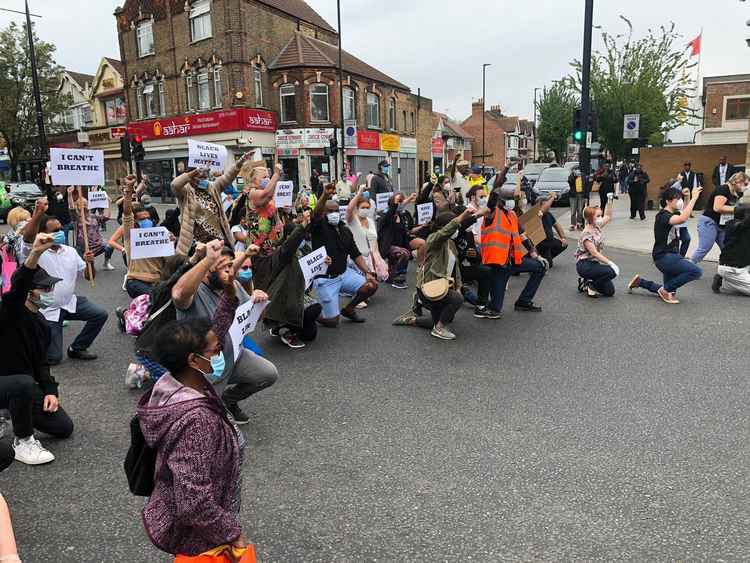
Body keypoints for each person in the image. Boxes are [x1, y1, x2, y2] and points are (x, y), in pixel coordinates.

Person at [138, 318, 248, 558]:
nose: (221, 351)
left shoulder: (175, 382)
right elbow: (193, 501)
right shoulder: (196, 421)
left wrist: (230, 293)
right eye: (216, 349)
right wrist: (231, 532)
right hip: (201, 534)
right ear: (194, 360)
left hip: (200, 514)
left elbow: (213, 333)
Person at [172, 240, 276, 424]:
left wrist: (260, 303)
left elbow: (253, 317)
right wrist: (206, 259)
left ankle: (229, 401)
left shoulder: (231, 285)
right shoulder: (194, 293)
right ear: (205, 270)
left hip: (234, 355)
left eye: (230, 265)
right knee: (202, 422)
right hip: (205, 368)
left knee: (268, 374)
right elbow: (179, 293)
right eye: (222, 266)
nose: (230, 271)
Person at [0, 233, 74, 465]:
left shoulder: (42, 323)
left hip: (21, 387)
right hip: (8, 383)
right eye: (45, 288)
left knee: (63, 427)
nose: (50, 292)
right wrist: (36, 253)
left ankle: (12, 410)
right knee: (21, 382)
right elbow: (18, 285)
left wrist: (51, 391)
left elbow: (41, 363)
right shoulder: (9, 312)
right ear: (30, 291)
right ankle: (23, 440)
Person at [20, 209, 107, 364]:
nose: (61, 232)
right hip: (48, 309)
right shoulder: (34, 252)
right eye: (56, 231)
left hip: (69, 303)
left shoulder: (70, 251)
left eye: (61, 229)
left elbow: (89, 277)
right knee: (53, 358)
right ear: (42, 234)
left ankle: (77, 348)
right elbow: (27, 237)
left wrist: (90, 262)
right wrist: (38, 213)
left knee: (100, 314)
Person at [393, 209, 476, 340]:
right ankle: (439, 329)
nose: (457, 230)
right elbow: (445, 232)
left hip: (442, 287)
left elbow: (456, 269)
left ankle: (412, 320)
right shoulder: (433, 240)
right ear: (444, 227)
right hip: (430, 287)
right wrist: (462, 216)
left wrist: (459, 287)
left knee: (440, 319)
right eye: (454, 226)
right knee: (457, 300)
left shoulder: (451, 244)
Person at [310, 185, 378, 326]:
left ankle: (349, 309)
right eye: (329, 211)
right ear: (324, 212)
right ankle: (311, 313)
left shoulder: (344, 229)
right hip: (326, 279)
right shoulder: (318, 227)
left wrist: (368, 272)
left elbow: (355, 253)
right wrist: (324, 195)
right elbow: (316, 214)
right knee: (333, 322)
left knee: (371, 285)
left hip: (344, 274)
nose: (333, 213)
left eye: (336, 211)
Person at [476, 189, 546, 317]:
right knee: (495, 310)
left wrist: (535, 254)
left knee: (540, 267)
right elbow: (492, 199)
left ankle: (524, 302)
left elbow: (522, 236)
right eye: (508, 199)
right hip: (497, 264)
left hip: (513, 261)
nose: (511, 202)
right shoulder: (491, 214)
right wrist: (504, 172)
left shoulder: (511, 215)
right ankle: (477, 301)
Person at [628, 186, 703, 304]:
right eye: (677, 199)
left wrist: (687, 197)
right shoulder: (663, 216)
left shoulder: (675, 213)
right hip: (664, 257)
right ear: (668, 201)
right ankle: (665, 290)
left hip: (673, 255)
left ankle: (641, 282)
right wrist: (694, 199)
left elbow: (684, 213)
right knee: (696, 272)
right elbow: (683, 218)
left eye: (680, 198)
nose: (680, 201)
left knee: (670, 291)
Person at [170, 151, 253, 255]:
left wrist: (241, 161)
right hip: (196, 245)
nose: (204, 179)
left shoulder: (212, 187)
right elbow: (174, 185)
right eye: (201, 177)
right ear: (192, 177)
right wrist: (196, 171)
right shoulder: (185, 191)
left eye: (205, 176)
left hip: (218, 241)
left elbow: (228, 176)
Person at [263, 212, 324, 349]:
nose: (302, 238)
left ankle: (279, 326)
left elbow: (311, 271)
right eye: (299, 235)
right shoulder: (283, 253)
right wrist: (302, 226)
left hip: (299, 292)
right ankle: (287, 330)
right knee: (314, 308)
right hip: (284, 296)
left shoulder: (304, 249)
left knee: (310, 335)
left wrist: (323, 262)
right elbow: (293, 242)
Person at [232, 160, 285, 290]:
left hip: (271, 250)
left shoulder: (266, 194)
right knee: (264, 286)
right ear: (255, 180)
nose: (267, 179)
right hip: (260, 253)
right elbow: (266, 194)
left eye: (268, 176)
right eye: (264, 177)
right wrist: (276, 174)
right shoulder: (253, 193)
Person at [691, 171, 748, 265]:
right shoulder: (723, 189)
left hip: (722, 225)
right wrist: (738, 209)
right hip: (709, 222)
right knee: (705, 247)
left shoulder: (737, 193)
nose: (746, 187)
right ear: (737, 181)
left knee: (727, 248)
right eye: (745, 184)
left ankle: (722, 272)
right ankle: (688, 267)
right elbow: (717, 207)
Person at [575, 199, 619, 297]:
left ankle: (587, 282)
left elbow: (608, 216)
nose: (600, 218)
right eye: (598, 216)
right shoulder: (586, 233)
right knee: (611, 271)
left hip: (594, 264)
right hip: (584, 265)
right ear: (590, 218)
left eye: (600, 215)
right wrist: (610, 263)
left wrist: (610, 201)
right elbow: (594, 253)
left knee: (609, 291)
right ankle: (591, 285)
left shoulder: (596, 226)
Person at [346, 186, 388, 283]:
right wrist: (359, 193)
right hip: (357, 260)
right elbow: (349, 210)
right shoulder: (353, 221)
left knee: (372, 284)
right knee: (364, 285)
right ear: (356, 208)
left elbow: (374, 240)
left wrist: (378, 258)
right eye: (363, 207)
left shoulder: (370, 221)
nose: (365, 210)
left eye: (367, 208)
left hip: (371, 258)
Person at [67, 188, 116, 271]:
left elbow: (106, 217)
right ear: (78, 206)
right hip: (83, 247)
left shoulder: (93, 216)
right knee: (83, 268)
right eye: (82, 204)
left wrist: (108, 203)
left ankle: (106, 263)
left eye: (86, 204)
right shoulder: (76, 218)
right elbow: (71, 208)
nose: (84, 206)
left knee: (110, 246)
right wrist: (69, 195)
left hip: (97, 243)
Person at [377, 192, 416, 289]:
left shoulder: (400, 215)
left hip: (399, 245)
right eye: (398, 203)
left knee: (390, 274)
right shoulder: (385, 215)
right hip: (388, 246)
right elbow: (390, 212)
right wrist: (395, 201)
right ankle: (398, 279)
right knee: (404, 253)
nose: (400, 205)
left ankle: (392, 275)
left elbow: (404, 232)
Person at [713, 194, 750, 295]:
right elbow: (744, 224)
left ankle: (732, 281)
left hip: (742, 264)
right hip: (731, 269)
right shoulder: (735, 226)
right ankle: (725, 282)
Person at [535, 194, 568, 267]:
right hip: (540, 244)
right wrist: (552, 197)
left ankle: (546, 257)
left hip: (549, 241)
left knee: (563, 244)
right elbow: (544, 209)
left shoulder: (548, 214)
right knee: (549, 265)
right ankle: (538, 259)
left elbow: (557, 225)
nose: (549, 206)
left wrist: (563, 237)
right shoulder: (537, 213)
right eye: (546, 204)